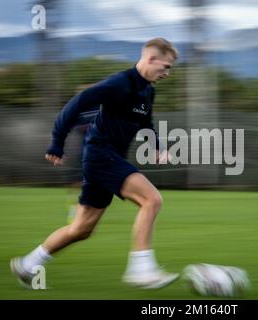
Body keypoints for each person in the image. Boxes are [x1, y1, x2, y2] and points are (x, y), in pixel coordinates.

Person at [10, 38, 179, 289]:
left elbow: (146, 124)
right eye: (165, 66)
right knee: (151, 200)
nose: (166, 73)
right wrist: (57, 142)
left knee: (82, 228)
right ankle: (141, 269)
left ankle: (27, 264)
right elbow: (76, 104)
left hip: (107, 159)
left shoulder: (147, 91)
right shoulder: (119, 83)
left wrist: (157, 147)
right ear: (151, 58)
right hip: (101, 155)